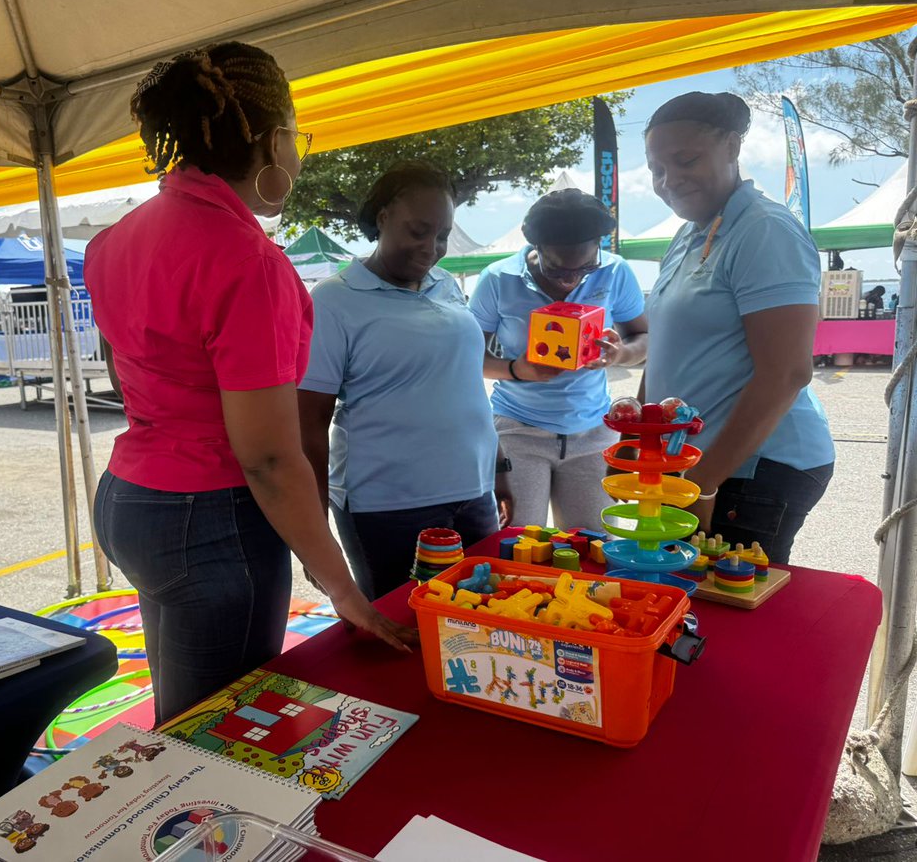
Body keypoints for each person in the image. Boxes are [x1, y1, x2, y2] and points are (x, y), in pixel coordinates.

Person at [84, 41, 415, 725]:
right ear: (273, 142)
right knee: (219, 731)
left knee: (182, 708)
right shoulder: (247, 261)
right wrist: (342, 588)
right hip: (209, 518)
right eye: (297, 133)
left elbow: (125, 374)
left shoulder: (114, 239)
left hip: (131, 498)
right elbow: (266, 457)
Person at [298, 162, 508, 601]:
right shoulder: (335, 300)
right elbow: (308, 424)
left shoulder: (445, 285)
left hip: (473, 492)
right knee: (402, 628)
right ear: (383, 218)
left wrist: (498, 466)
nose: (432, 247)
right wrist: (313, 527)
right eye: (419, 230)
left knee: (486, 618)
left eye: (443, 234)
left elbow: (466, 383)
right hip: (389, 505)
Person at [642, 91, 835, 563]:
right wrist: (645, 449)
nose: (670, 180)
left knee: (721, 614)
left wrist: (704, 486)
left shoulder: (763, 228)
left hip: (749, 470)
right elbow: (665, 346)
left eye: (686, 160)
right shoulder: (691, 232)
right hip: (691, 468)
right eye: (656, 168)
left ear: (732, 147)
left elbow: (787, 373)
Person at [468, 188, 648, 530]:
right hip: (517, 432)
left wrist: (620, 353)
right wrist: (515, 370)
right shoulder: (497, 279)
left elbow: (644, 337)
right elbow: (466, 356)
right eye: (556, 269)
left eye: (586, 266)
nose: (571, 278)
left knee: (594, 548)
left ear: (599, 245)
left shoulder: (614, 272)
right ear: (535, 247)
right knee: (519, 546)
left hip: (593, 433)